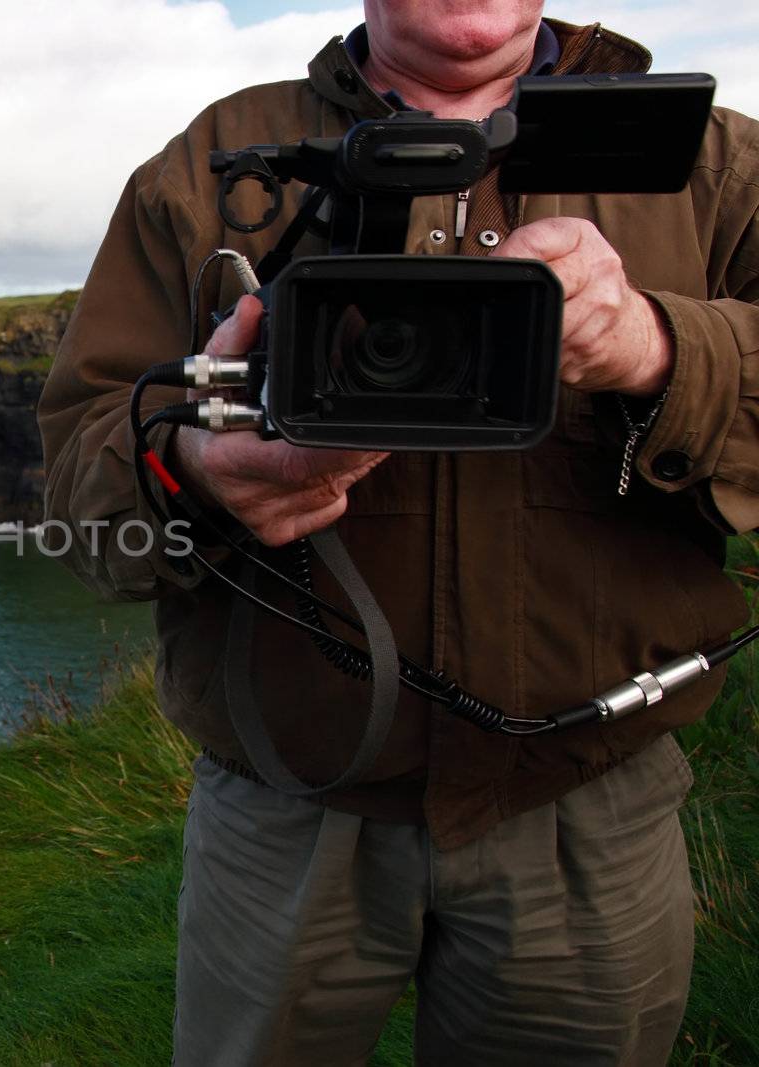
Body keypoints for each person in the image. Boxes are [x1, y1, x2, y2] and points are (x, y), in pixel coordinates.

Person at [37, 2, 759, 1064]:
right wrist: (191, 470)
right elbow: (76, 486)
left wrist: (659, 345)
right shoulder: (206, 167)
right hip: (283, 807)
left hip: (590, 801)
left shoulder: (712, 165)